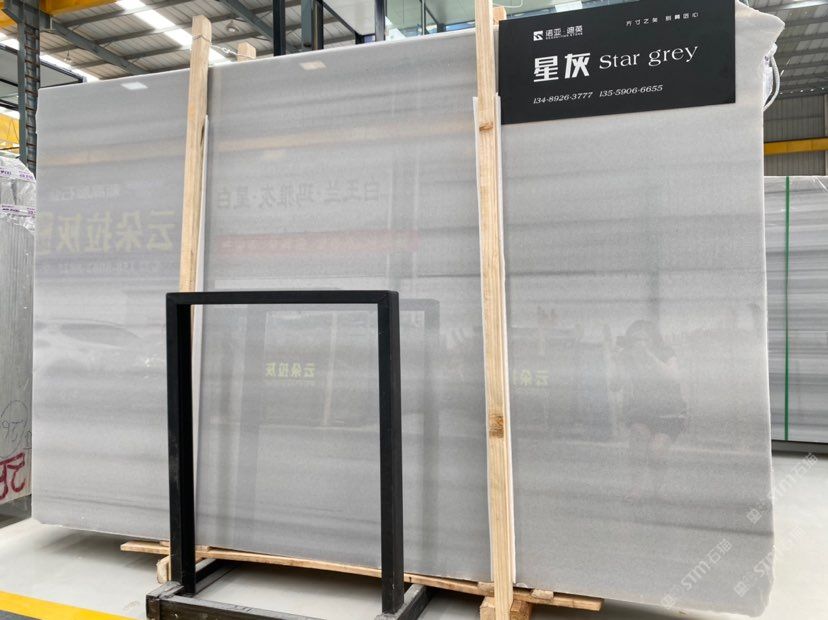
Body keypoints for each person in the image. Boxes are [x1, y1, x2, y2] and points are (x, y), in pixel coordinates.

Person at [615, 320, 687, 501]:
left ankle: (658, 490)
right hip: (642, 409)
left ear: (653, 339)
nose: (640, 343)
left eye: (644, 339)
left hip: (669, 411)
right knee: (638, 436)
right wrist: (615, 362)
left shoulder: (666, 353)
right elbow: (615, 385)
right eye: (636, 339)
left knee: (656, 450)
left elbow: (673, 377)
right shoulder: (627, 356)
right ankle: (635, 489)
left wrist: (648, 355)